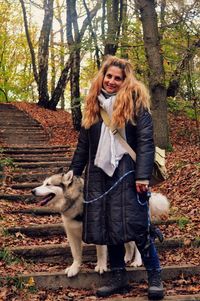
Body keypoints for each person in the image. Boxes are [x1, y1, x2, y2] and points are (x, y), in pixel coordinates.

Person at [69, 55, 164, 300]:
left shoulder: (136, 104)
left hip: (128, 172)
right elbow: (83, 145)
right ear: (103, 76)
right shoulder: (94, 105)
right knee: (108, 226)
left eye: (117, 78)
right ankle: (119, 278)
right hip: (100, 175)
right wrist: (74, 171)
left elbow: (145, 142)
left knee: (138, 226)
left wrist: (143, 176)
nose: (111, 81)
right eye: (109, 76)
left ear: (125, 81)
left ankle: (154, 276)